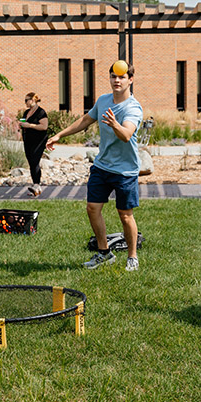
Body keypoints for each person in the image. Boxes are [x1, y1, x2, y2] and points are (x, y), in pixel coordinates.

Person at [46, 60, 143, 272]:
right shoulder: (103, 100)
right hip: (102, 167)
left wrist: (115, 124)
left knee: (125, 215)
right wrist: (59, 135)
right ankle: (104, 253)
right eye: (113, 76)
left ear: (130, 80)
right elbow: (85, 120)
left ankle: (132, 257)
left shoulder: (133, 108)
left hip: (125, 171)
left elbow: (126, 135)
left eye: (122, 77)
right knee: (92, 208)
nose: (116, 80)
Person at [19, 92, 49, 196]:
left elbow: (44, 126)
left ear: (33, 100)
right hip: (28, 140)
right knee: (31, 162)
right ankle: (36, 185)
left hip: (39, 140)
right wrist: (22, 125)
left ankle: (37, 184)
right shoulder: (26, 112)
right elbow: (24, 124)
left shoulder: (40, 112)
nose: (25, 102)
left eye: (27, 100)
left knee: (35, 160)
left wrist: (30, 125)